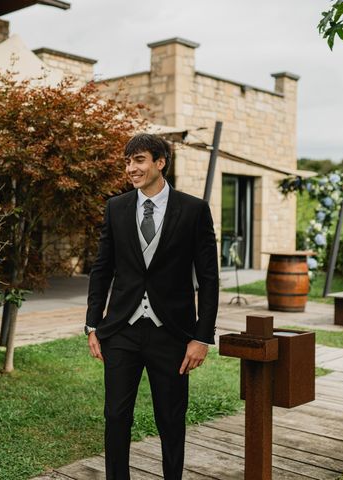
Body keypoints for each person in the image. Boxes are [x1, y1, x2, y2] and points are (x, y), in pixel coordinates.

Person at [85, 133, 219, 480]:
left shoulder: (193, 210)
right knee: (116, 417)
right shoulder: (116, 207)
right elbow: (102, 269)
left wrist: (202, 337)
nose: (131, 168)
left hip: (172, 334)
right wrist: (92, 324)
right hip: (121, 331)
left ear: (161, 163)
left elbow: (209, 279)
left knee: (171, 420)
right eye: (128, 161)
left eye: (139, 160)